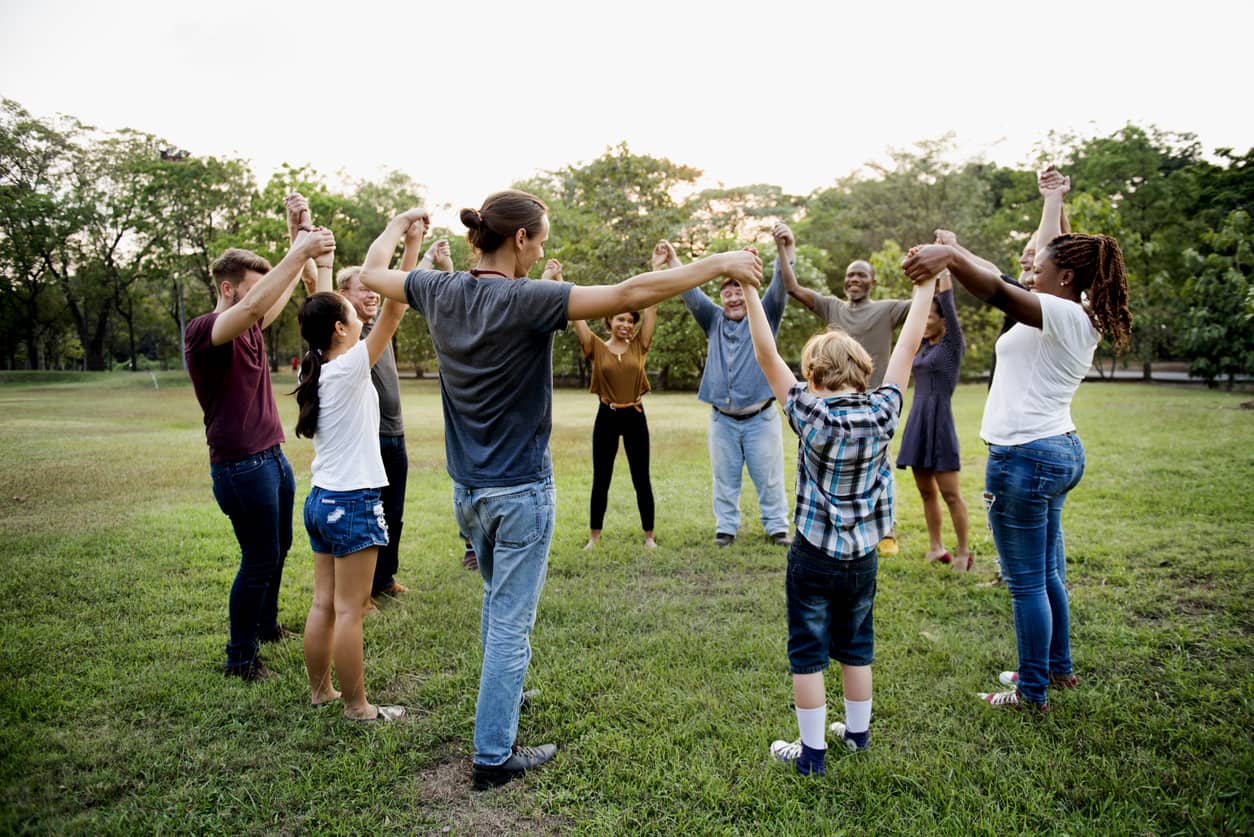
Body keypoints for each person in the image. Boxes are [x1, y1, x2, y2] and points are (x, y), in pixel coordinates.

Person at [359, 191, 762, 789]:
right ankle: (493, 756)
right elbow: (629, 294)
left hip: (468, 491)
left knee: (500, 604)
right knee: (509, 619)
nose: (543, 249)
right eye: (540, 238)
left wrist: (397, 224)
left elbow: (370, 272)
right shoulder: (528, 299)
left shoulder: (437, 290)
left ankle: (508, 690)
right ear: (520, 240)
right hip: (520, 490)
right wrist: (721, 261)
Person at [902, 167, 1131, 713]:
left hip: (1026, 458)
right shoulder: (1078, 312)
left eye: (1041, 267)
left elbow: (997, 288)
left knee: (1027, 582)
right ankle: (1057, 668)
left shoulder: (1056, 311)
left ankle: (1032, 692)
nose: (1031, 269)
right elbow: (1037, 257)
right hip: (1055, 450)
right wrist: (1053, 200)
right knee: (1048, 572)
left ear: (1066, 279)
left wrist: (953, 260)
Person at [740, 245, 937, 776]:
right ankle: (857, 737)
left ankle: (811, 757)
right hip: (864, 557)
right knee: (857, 646)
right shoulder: (885, 407)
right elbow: (910, 345)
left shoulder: (809, 411)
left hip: (813, 555)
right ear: (862, 373)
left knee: (807, 652)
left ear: (815, 377)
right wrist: (924, 287)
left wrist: (753, 291)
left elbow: (765, 355)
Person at [184, 206, 335, 681]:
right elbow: (254, 306)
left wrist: (297, 237)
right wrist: (299, 250)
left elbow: (270, 299)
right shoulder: (203, 331)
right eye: (250, 288)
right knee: (258, 558)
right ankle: (240, 657)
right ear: (227, 289)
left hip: (271, 456)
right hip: (240, 467)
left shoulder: (249, 324)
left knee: (280, 546)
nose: (258, 301)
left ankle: (265, 627)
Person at [294, 224, 413, 718]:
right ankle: (358, 707)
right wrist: (403, 236)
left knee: (323, 604)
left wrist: (323, 264)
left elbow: (326, 302)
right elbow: (396, 303)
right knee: (348, 611)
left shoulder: (315, 367)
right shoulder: (350, 366)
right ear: (341, 329)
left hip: (321, 500)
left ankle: (322, 693)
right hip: (354, 502)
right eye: (350, 314)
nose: (359, 317)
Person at [775, 223, 910, 556]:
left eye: (861, 275)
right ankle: (824, 525)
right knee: (823, 468)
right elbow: (791, 287)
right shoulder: (833, 308)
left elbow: (924, 312)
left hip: (873, 406)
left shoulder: (887, 309)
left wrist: (936, 269)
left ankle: (885, 529)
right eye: (850, 275)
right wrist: (785, 247)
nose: (854, 279)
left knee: (879, 468)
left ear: (872, 282)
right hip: (832, 406)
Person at [332, 221, 439, 604]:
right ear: (344, 293)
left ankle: (385, 578)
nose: (374, 294)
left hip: (395, 434)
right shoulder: (347, 332)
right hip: (368, 439)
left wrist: (416, 246)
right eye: (366, 287)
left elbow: (400, 287)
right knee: (368, 517)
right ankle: (361, 592)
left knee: (393, 514)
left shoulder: (380, 324)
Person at [668, 235, 791, 547]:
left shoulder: (765, 318)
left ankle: (777, 528)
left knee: (770, 476)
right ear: (722, 297)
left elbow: (779, 286)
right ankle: (726, 528)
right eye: (728, 291)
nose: (735, 297)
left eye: (739, 289)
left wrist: (783, 249)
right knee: (724, 478)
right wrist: (672, 260)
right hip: (722, 419)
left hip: (760, 418)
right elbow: (690, 291)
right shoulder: (713, 321)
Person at [551, 255, 658, 550]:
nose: (626, 323)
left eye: (629, 320)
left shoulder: (640, 345)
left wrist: (657, 269)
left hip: (635, 415)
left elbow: (652, 307)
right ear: (609, 321)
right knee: (602, 477)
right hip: (607, 416)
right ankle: (594, 537)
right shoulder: (596, 348)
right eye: (620, 318)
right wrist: (560, 280)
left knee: (641, 476)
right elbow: (577, 318)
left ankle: (649, 537)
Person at [894, 239, 970, 570]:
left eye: (930, 316)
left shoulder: (952, 344)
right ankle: (936, 547)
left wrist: (942, 259)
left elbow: (949, 302)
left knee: (951, 493)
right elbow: (916, 312)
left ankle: (965, 552)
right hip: (917, 420)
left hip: (939, 421)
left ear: (942, 321)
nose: (924, 320)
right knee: (926, 492)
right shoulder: (922, 346)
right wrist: (919, 276)